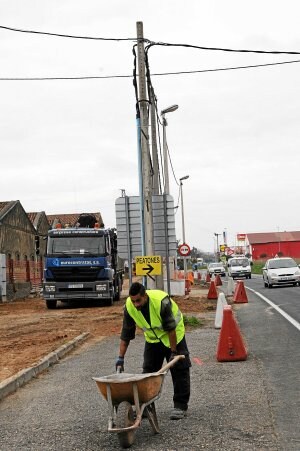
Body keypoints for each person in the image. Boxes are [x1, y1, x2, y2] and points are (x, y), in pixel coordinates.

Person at [116, 282, 191, 420]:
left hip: (174, 336)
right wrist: (120, 358)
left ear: (145, 295)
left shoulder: (161, 301)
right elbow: (126, 334)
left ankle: (180, 406)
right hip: (153, 340)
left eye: (138, 300)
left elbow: (171, 328)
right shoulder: (129, 306)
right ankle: (145, 407)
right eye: (133, 301)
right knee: (149, 372)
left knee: (180, 369)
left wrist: (173, 352)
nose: (136, 304)